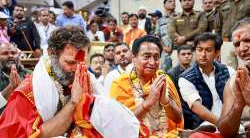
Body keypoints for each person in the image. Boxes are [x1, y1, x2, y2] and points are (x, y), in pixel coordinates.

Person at [0, 26, 143, 138]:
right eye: (70, 62)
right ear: (52, 53)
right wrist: (74, 101)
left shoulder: (84, 77)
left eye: (82, 62)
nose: (77, 69)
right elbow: (36, 135)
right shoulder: (28, 92)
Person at [110, 35, 183, 137]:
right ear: (134, 58)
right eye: (146, 57)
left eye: (156, 57)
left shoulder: (163, 79)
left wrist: (165, 102)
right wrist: (149, 102)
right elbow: (122, 124)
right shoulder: (120, 84)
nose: (152, 62)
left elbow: (178, 119)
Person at [178, 32, 235, 129]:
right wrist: (222, 125)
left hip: (230, 124)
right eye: (199, 50)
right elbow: (196, 107)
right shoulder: (186, 78)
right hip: (204, 127)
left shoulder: (229, 71)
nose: (203, 54)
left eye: (208, 50)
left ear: (217, 53)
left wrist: (229, 125)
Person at [216, 18, 250, 138]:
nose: (242, 48)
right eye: (237, 44)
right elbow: (225, 132)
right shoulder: (234, 81)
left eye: (247, 40)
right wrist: (238, 105)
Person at [169, 0, 207, 67]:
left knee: (197, 73)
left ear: (193, 1)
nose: (187, 2)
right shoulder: (175, 17)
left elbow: (201, 29)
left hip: (195, 50)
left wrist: (184, 38)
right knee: (177, 75)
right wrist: (186, 42)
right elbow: (171, 32)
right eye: (184, 0)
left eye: (189, 0)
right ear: (180, 2)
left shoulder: (200, 15)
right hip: (179, 50)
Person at [0, 43, 31, 111]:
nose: (10, 56)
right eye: (5, 53)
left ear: (18, 55)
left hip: (25, 117)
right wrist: (10, 87)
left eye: (13, 53)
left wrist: (22, 88)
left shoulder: (30, 74)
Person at [156, 0, 178, 72]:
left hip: (177, 50)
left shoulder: (180, 17)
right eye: (170, 1)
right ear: (164, 5)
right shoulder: (160, 20)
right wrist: (164, 47)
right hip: (165, 52)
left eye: (174, 1)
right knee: (164, 72)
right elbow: (157, 36)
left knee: (178, 72)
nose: (173, 3)